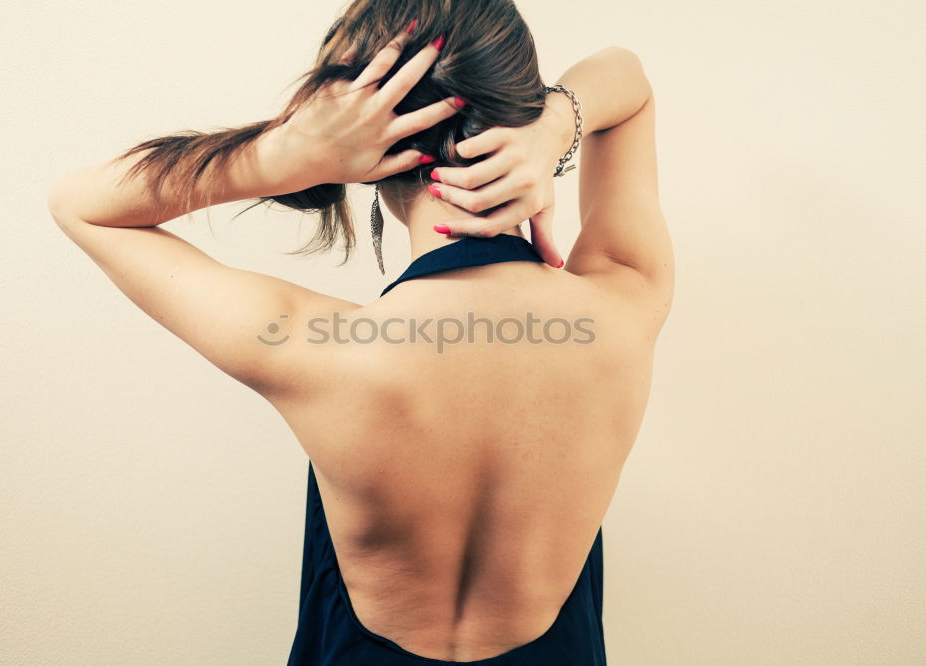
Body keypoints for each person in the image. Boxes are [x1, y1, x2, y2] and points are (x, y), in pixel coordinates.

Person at [47, 1, 674, 663]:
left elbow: (81, 204)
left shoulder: (310, 348)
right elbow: (626, 81)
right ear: (519, 108)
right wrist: (553, 126)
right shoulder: (622, 302)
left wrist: (274, 158)